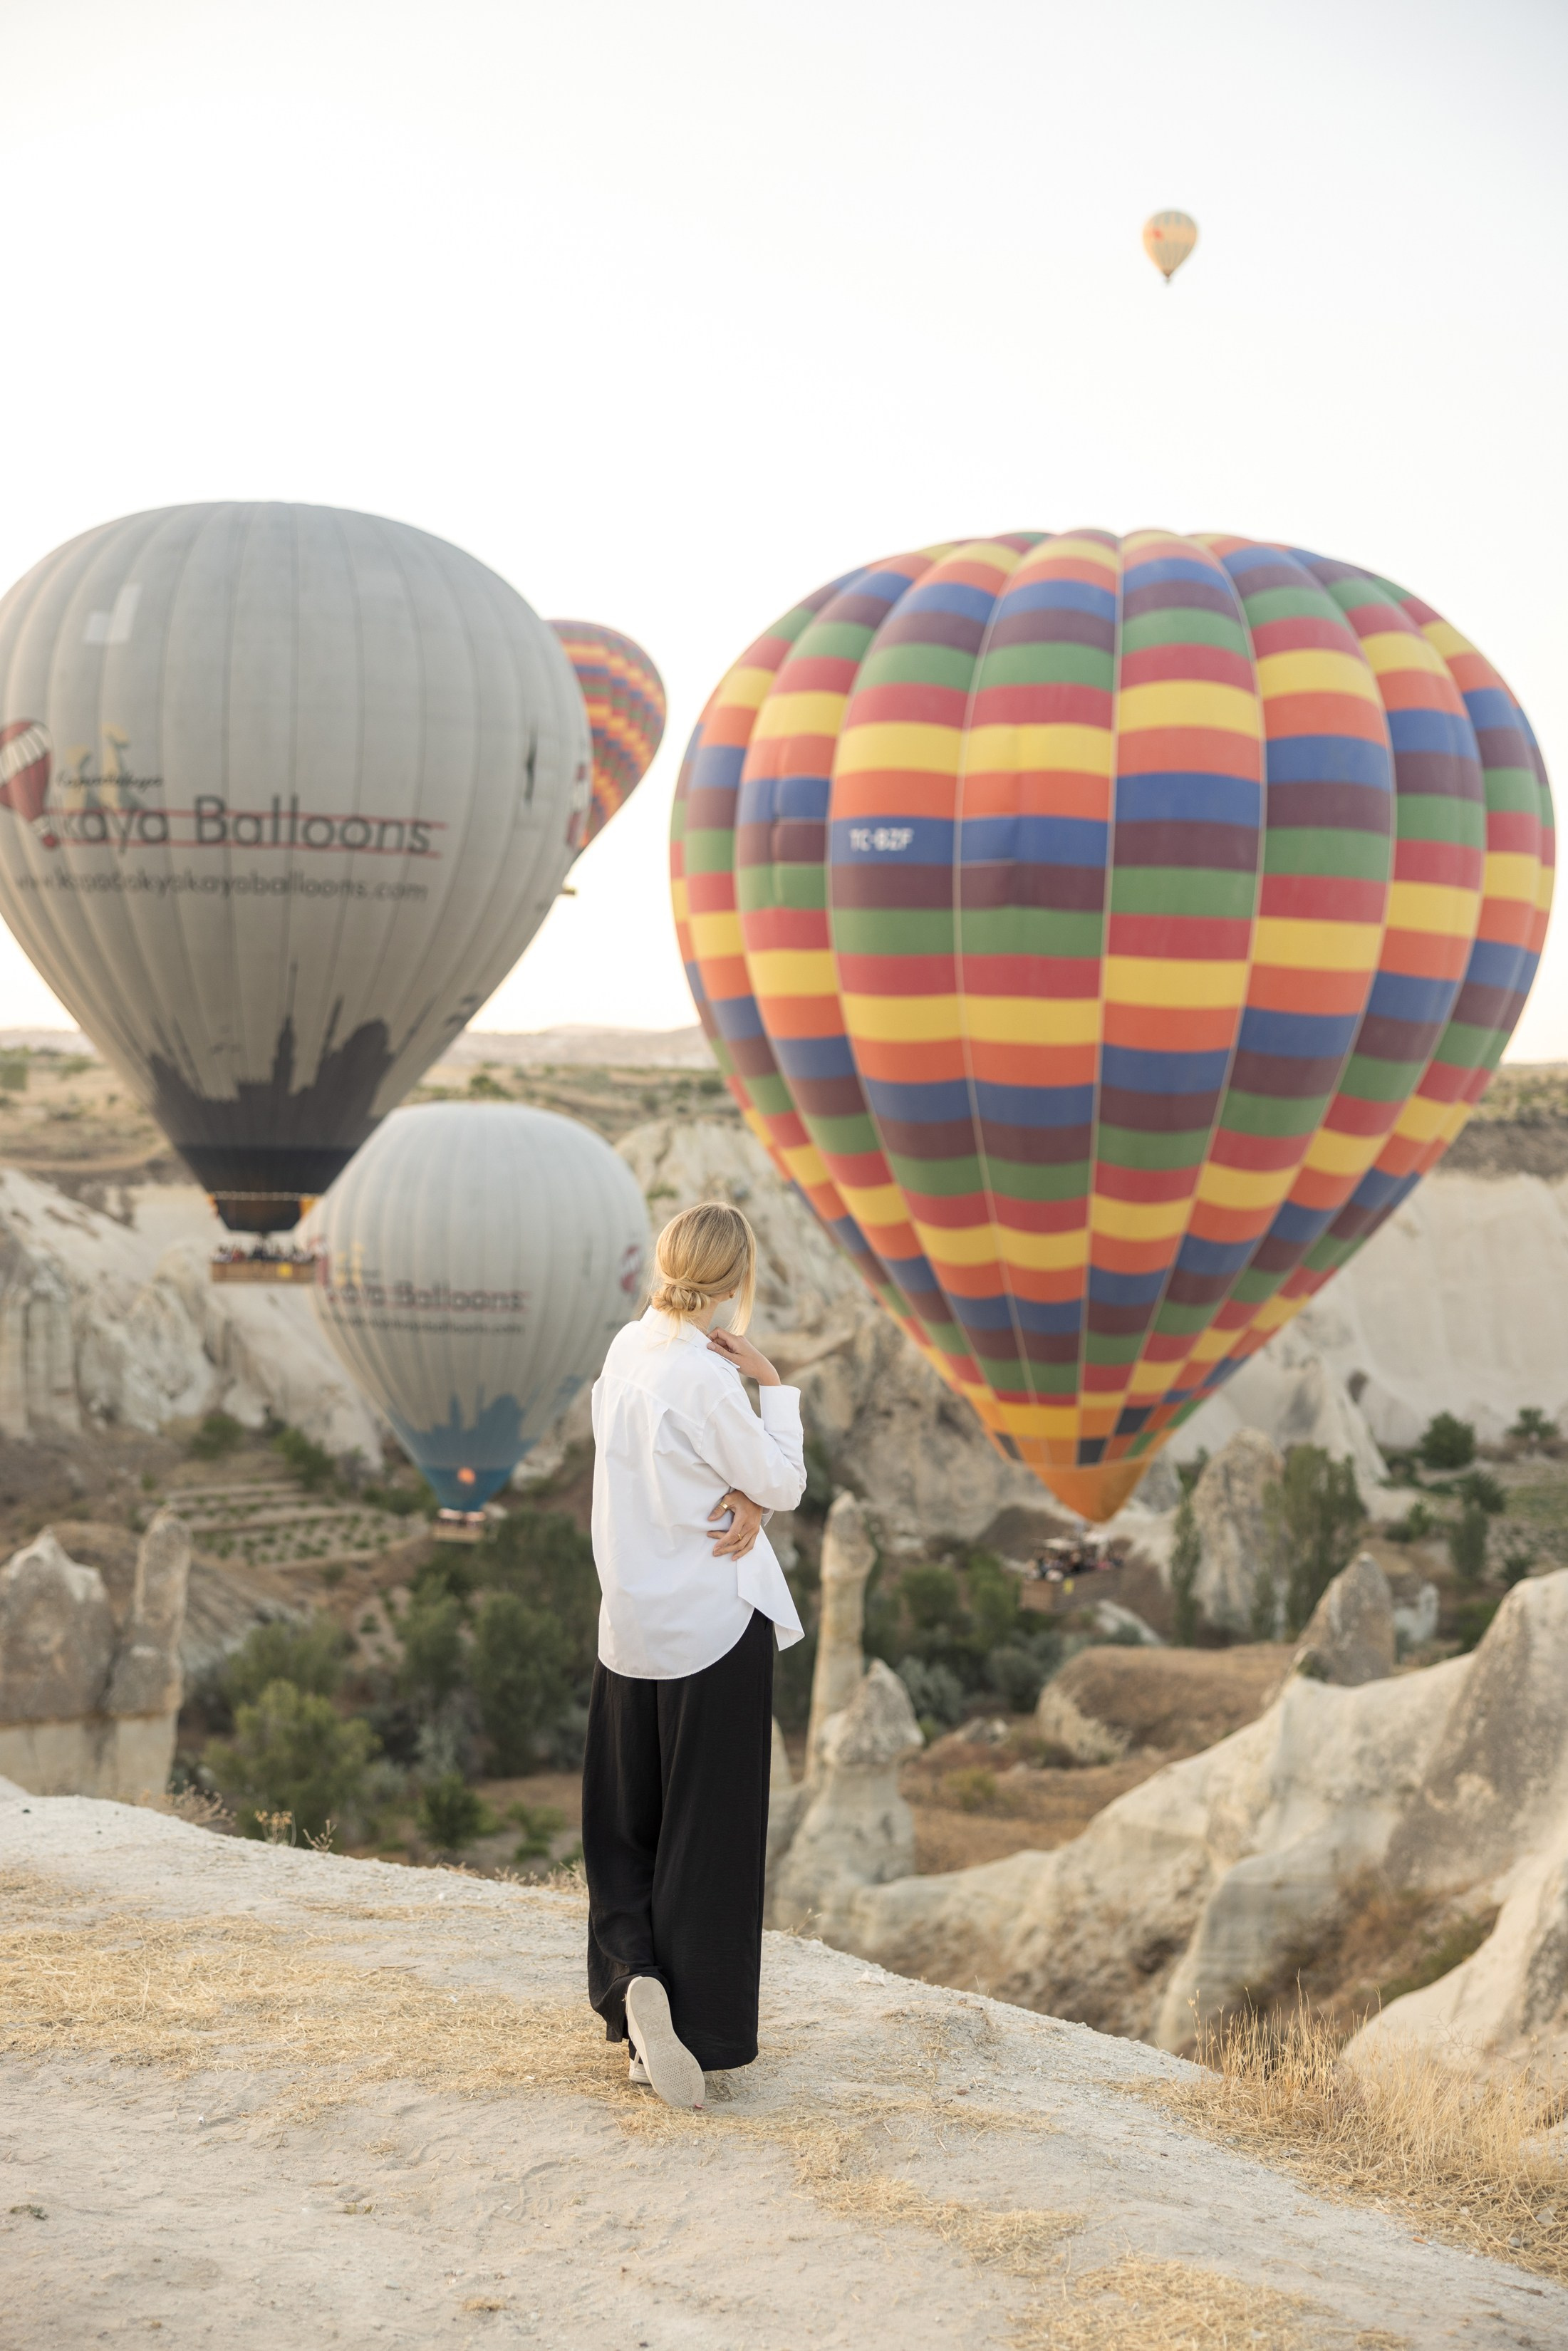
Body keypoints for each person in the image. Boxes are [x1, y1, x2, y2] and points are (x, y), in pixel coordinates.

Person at [583, 1199, 806, 2110]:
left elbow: (655, 1474)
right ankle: (693, 2030)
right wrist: (774, 1387)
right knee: (704, 1836)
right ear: (735, 1279)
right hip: (714, 1626)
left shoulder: (625, 1352)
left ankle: (633, 1975)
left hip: (630, 1624)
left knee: (626, 1821)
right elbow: (782, 1483)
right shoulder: (710, 1378)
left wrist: (738, 1493)